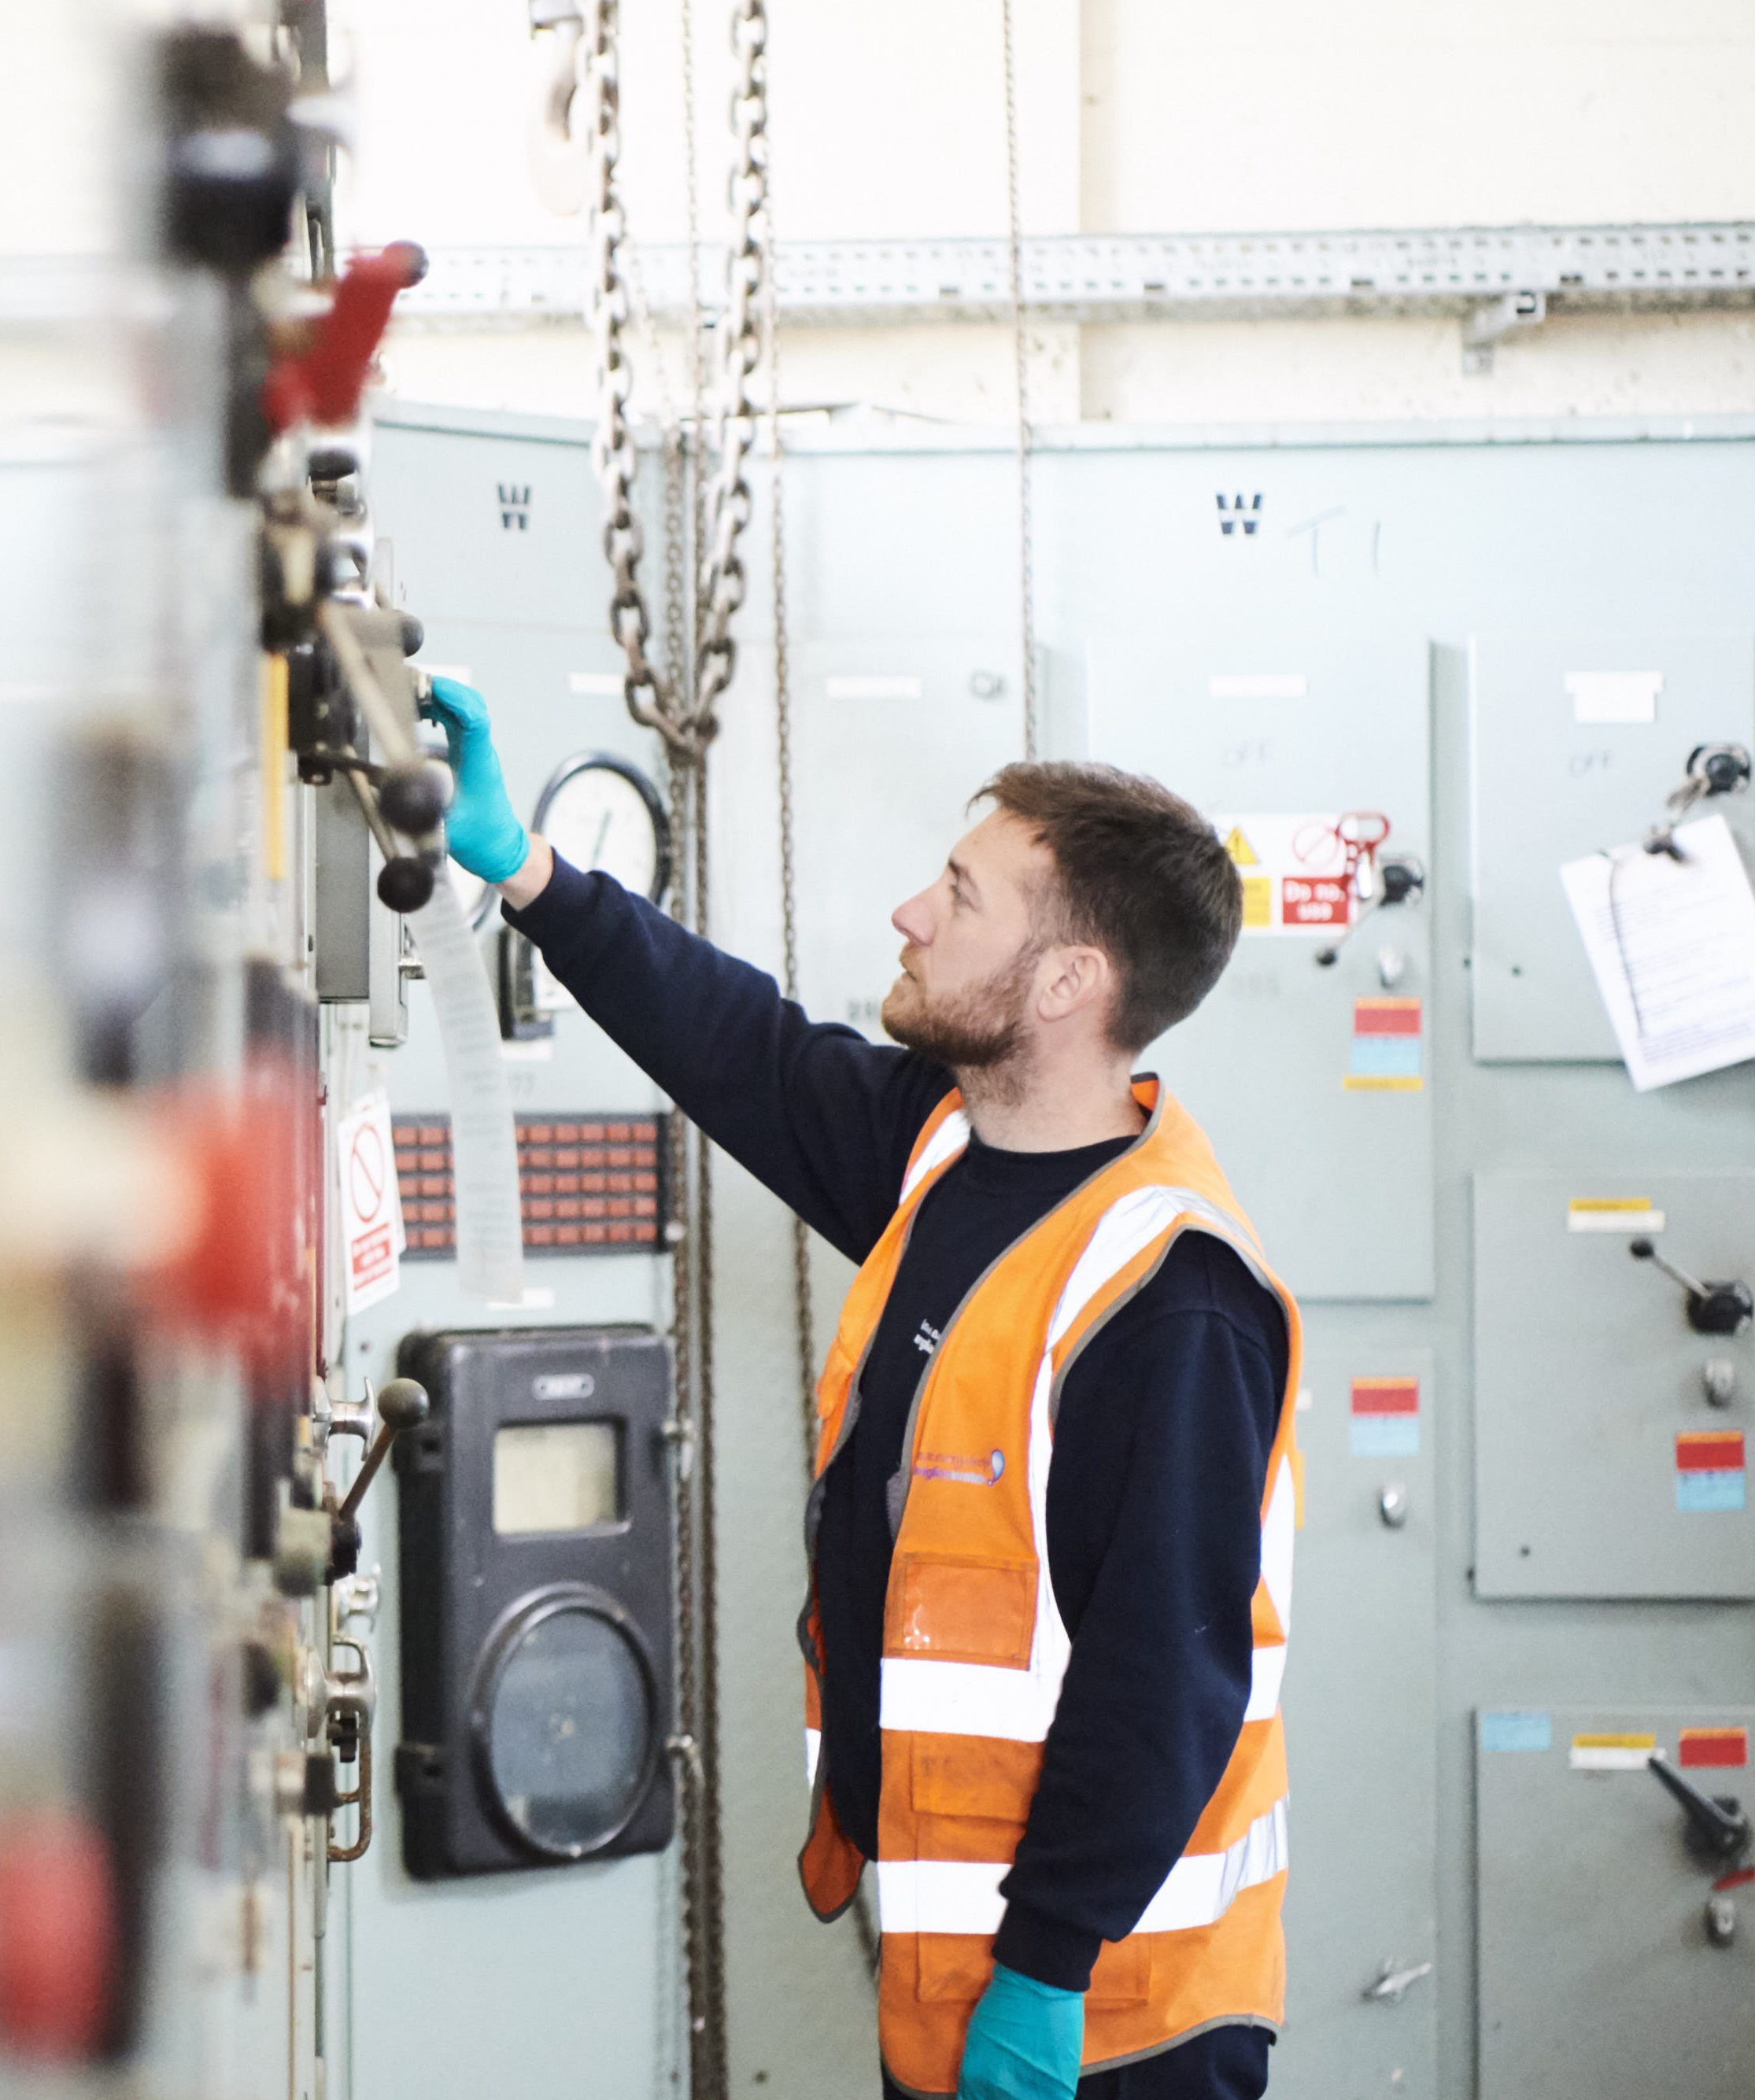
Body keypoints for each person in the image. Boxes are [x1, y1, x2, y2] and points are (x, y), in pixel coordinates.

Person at [421, 677, 1298, 2100]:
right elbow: (747, 1052)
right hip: (966, 1975)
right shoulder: (946, 1149)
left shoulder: (1170, 1291)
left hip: (1112, 2024)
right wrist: (531, 873)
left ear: (1070, 981)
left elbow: (1168, 1678)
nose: (910, 911)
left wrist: (1046, 1973)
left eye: (959, 894)